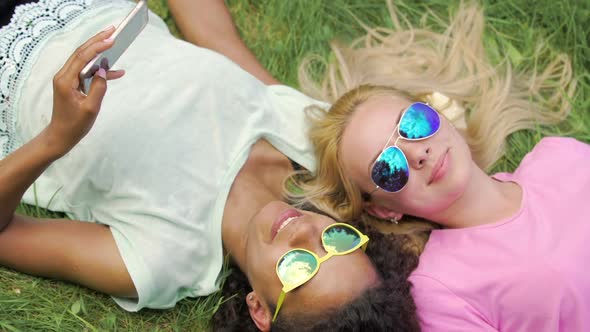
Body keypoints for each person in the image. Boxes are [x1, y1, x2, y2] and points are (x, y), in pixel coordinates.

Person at [0, 0, 421, 330]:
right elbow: (219, 40)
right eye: (338, 243)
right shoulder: (303, 140)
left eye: (299, 268)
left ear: (259, 309)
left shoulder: (164, 259)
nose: (306, 233)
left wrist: (57, 138)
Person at [290, 2, 589, 331]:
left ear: (438, 112)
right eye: (389, 167)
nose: (417, 155)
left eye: (414, 123)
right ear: (383, 211)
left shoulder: (558, 156)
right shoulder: (441, 289)